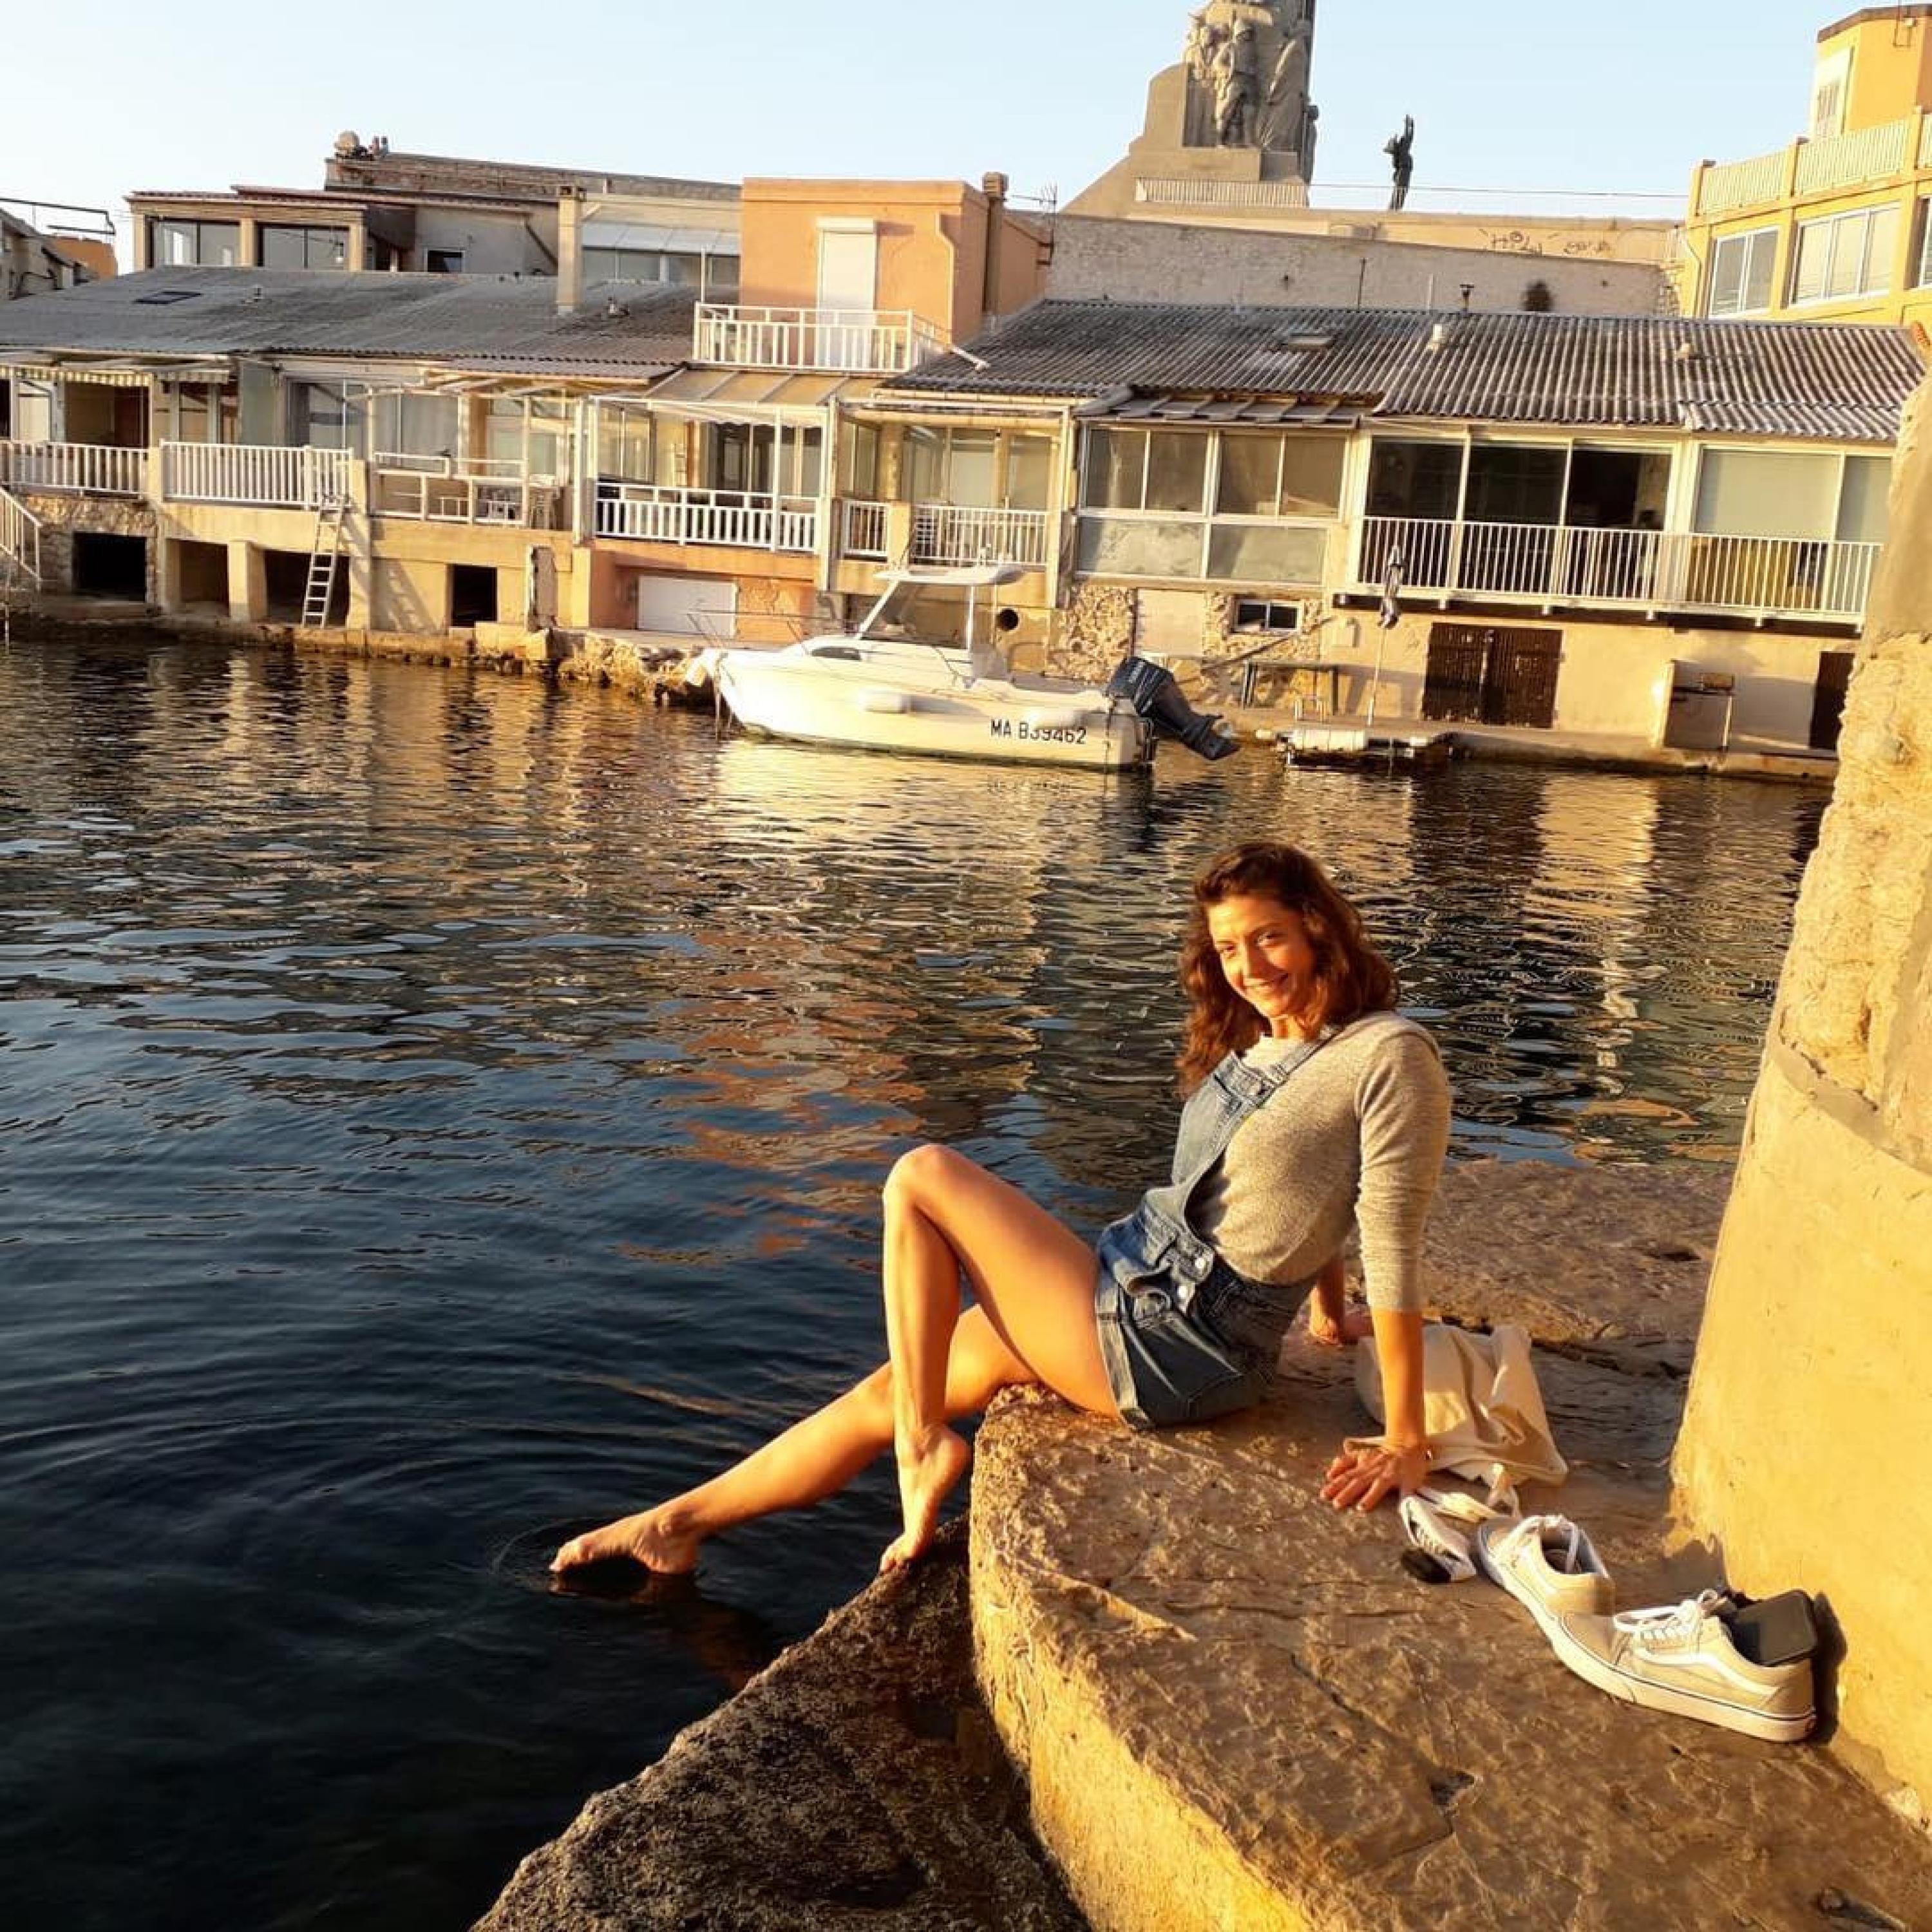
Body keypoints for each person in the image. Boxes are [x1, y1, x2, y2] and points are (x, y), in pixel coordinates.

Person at [553, 840, 1451, 1581]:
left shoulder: (1390, 1054)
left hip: (1182, 1340)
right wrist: (1325, 1317)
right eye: (1228, 949)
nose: (1249, 968)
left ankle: (922, 1451)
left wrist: (1406, 1437)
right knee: (892, 1387)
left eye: (1269, 939)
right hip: (1141, 1281)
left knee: (922, 1176)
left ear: (1319, 927)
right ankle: (675, 1525)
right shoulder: (1273, 1040)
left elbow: (1389, 1229)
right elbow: (1306, 1191)